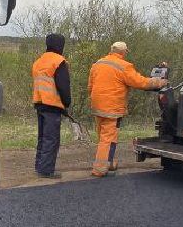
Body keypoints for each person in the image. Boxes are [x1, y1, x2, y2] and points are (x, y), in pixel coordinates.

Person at [88, 41, 168, 177]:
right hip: (112, 108)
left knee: (105, 135)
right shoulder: (124, 66)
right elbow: (140, 82)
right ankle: (100, 168)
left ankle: (109, 162)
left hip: (97, 105)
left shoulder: (98, 64)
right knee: (107, 138)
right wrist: (159, 82)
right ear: (123, 52)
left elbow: (90, 86)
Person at [31, 33, 72, 179]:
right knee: (51, 139)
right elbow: (63, 86)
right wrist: (67, 103)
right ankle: (46, 170)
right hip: (52, 105)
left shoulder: (39, 61)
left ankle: (39, 166)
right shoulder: (59, 61)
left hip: (39, 102)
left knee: (43, 137)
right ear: (60, 45)